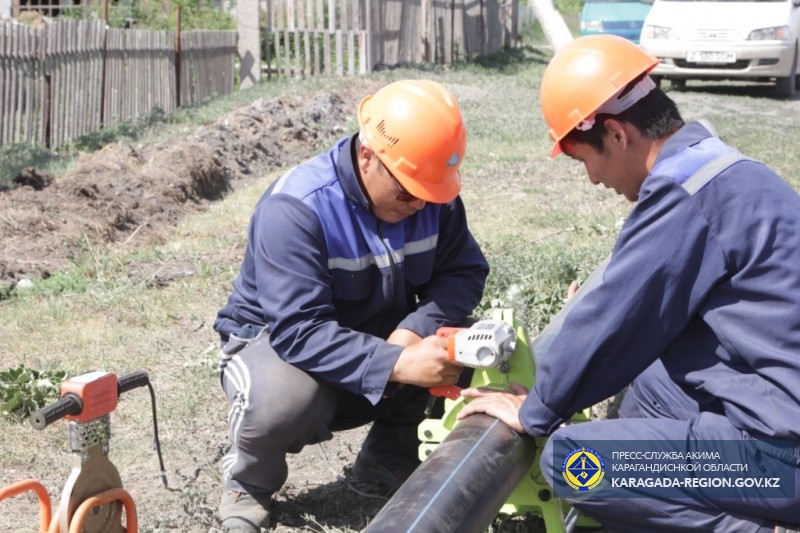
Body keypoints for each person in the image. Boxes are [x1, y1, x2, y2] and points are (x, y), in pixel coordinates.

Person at [457, 34, 800, 532]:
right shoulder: (718, 167)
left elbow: (617, 317)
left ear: (616, 134)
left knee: (575, 462)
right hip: (779, 410)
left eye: (584, 161)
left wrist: (535, 410)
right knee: (654, 382)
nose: (594, 179)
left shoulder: (683, 195)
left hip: (783, 460)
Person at [213, 79, 489, 532]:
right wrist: (397, 362)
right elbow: (298, 330)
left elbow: (463, 272)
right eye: (408, 191)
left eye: (430, 192)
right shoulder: (296, 207)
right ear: (367, 156)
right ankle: (248, 483)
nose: (420, 203)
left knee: (474, 352)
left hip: (374, 334)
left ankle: (388, 457)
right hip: (280, 348)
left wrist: (414, 332)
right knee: (284, 400)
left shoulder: (429, 196)